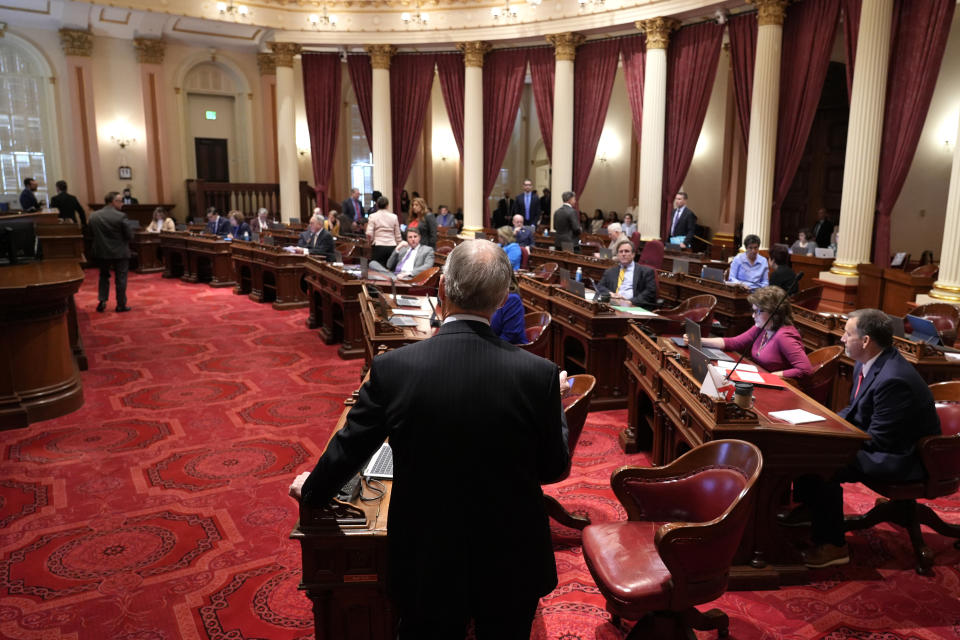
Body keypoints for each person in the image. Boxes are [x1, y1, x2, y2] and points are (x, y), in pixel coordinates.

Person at [289, 239, 570, 637]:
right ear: (504, 299)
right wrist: (552, 405)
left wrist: (314, 491)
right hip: (512, 557)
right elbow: (552, 468)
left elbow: (351, 447)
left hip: (427, 557)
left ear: (440, 289)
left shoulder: (394, 369)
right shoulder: (539, 375)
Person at [782, 309, 940, 568]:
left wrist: (831, 441)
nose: (842, 339)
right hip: (883, 442)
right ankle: (812, 511)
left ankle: (834, 545)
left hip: (900, 456)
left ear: (866, 341)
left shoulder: (894, 379)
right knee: (807, 443)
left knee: (822, 460)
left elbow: (879, 439)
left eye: (847, 334)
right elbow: (855, 411)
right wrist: (821, 424)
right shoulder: (867, 362)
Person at [695, 286, 812, 379]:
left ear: (773, 312)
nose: (753, 316)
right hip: (758, 379)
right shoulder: (762, 328)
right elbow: (734, 342)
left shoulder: (784, 336)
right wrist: (698, 340)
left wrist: (771, 377)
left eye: (757, 312)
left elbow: (805, 369)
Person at [89, 191, 132, 313]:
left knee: (103, 276)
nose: (122, 203)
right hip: (120, 252)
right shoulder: (121, 216)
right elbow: (129, 235)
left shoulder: (94, 216)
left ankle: (102, 300)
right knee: (121, 278)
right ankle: (121, 304)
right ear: (113, 202)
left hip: (101, 251)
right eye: (120, 201)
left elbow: (90, 234)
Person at [596, 239, 657, 308]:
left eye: (626, 251)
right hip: (614, 304)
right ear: (617, 255)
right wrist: (611, 294)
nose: (623, 254)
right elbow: (600, 286)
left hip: (633, 305)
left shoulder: (646, 271)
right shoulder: (610, 271)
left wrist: (631, 301)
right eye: (621, 252)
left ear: (633, 254)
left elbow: (650, 292)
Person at [370, 227, 435, 278]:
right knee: (372, 263)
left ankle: (388, 278)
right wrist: (397, 248)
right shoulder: (403, 249)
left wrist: (409, 273)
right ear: (407, 239)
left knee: (373, 276)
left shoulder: (427, 250)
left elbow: (428, 266)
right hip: (395, 275)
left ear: (419, 237)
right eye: (410, 237)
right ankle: (390, 278)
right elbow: (389, 265)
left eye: (415, 236)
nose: (413, 239)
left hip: (408, 277)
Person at [365, 196, 402, 265]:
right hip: (392, 245)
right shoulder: (394, 217)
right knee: (390, 268)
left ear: (377, 205)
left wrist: (371, 242)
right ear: (387, 205)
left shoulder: (373, 216)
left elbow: (369, 233)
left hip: (378, 245)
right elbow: (398, 234)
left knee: (377, 270)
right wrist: (399, 244)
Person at [491, 274, 525, 344]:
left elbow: (509, 336)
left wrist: (484, 348)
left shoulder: (512, 299)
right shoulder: (485, 294)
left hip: (508, 350)